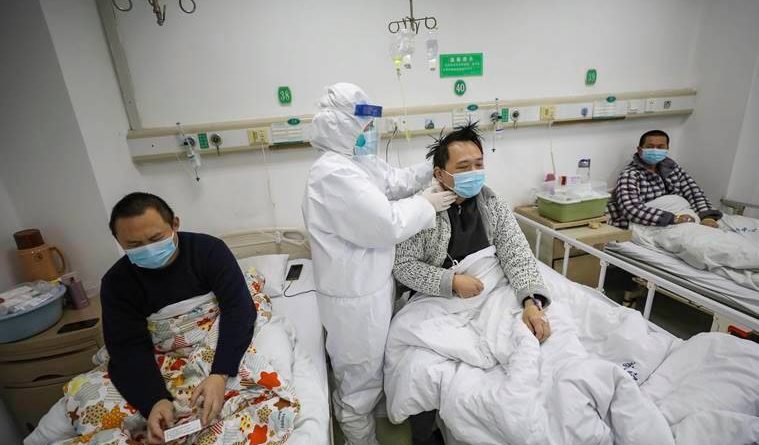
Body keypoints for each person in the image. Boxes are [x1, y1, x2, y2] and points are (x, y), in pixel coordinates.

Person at [302, 83, 456, 445]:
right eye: (365, 126)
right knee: (358, 383)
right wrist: (427, 204)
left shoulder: (356, 162)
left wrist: (434, 165)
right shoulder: (332, 175)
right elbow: (385, 224)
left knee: (373, 369)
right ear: (343, 127)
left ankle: (374, 420)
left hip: (372, 286)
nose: (371, 132)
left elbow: (395, 181)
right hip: (352, 299)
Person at [392, 122, 552, 445]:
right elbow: (403, 266)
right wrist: (451, 281)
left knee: (527, 337)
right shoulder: (421, 211)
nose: (474, 173)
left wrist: (530, 302)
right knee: (418, 367)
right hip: (439, 298)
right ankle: (424, 436)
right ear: (440, 173)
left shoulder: (491, 204)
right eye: (464, 167)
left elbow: (517, 253)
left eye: (479, 164)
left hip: (494, 288)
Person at [101, 192, 256, 444]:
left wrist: (220, 373)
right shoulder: (116, 283)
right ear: (119, 241)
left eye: (155, 239)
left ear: (175, 224)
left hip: (215, 338)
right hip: (160, 351)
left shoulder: (209, 251)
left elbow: (238, 309)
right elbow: (126, 346)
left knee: (249, 389)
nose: (147, 249)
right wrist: (154, 400)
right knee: (96, 403)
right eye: (134, 245)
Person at [607, 129, 723, 229]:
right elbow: (631, 209)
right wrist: (673, 219)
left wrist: (708, 217)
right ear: (639, 149)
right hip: (654, 222)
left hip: (684, 215)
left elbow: (693, 192)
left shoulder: (672, 168)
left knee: (716, 234)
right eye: (650, 147)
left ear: (667, 149)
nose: (655, 150)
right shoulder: (631, 175)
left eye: (660, 147)